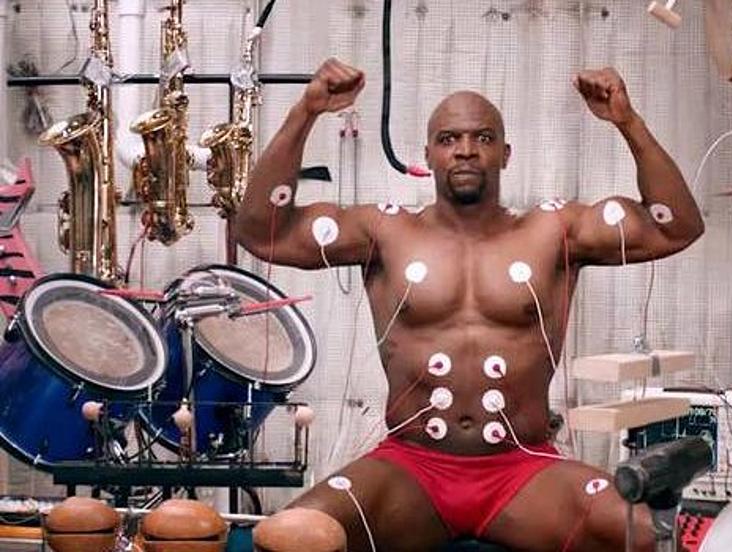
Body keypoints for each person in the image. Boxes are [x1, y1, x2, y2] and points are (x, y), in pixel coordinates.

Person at [236, 57, 704, 551]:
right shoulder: (386, 232)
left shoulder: (553, 231)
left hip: (523, 472)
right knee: (292, 535)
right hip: (410, 469)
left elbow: (676, 225)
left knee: (644, 534)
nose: (464, 150)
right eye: (448, 139)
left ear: (505, 154)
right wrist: (306, 111)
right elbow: (262, 231)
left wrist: (627, 122)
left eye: (482, 138)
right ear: (428, 154)